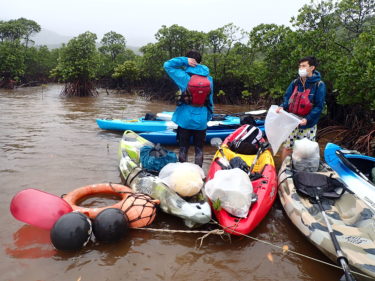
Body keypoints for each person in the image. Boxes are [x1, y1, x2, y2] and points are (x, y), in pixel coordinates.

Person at [163, 50, 214, 167]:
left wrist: (184, 60)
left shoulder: (184, 77)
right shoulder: (209, 79)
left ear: (189, 62)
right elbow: (210, 101)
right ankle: (199, 174)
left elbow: (167, 65)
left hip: (184, 119)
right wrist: (207, 117)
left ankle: (182, 172)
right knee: (199, 149)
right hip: (201, 119)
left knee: (183, 148)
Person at [276, 56, 326, 162]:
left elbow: (318, 106)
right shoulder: (295, 83)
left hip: (307, 123)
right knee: (287, 147)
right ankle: (284, 170)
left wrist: (307, 119)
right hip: (291, 121)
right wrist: (282, 106)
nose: (301, 68)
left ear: (312, 67)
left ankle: (302, 171)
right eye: (300, 66)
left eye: (304, 66)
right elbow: (288, 99)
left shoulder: (319, 85)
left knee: (305, 151)